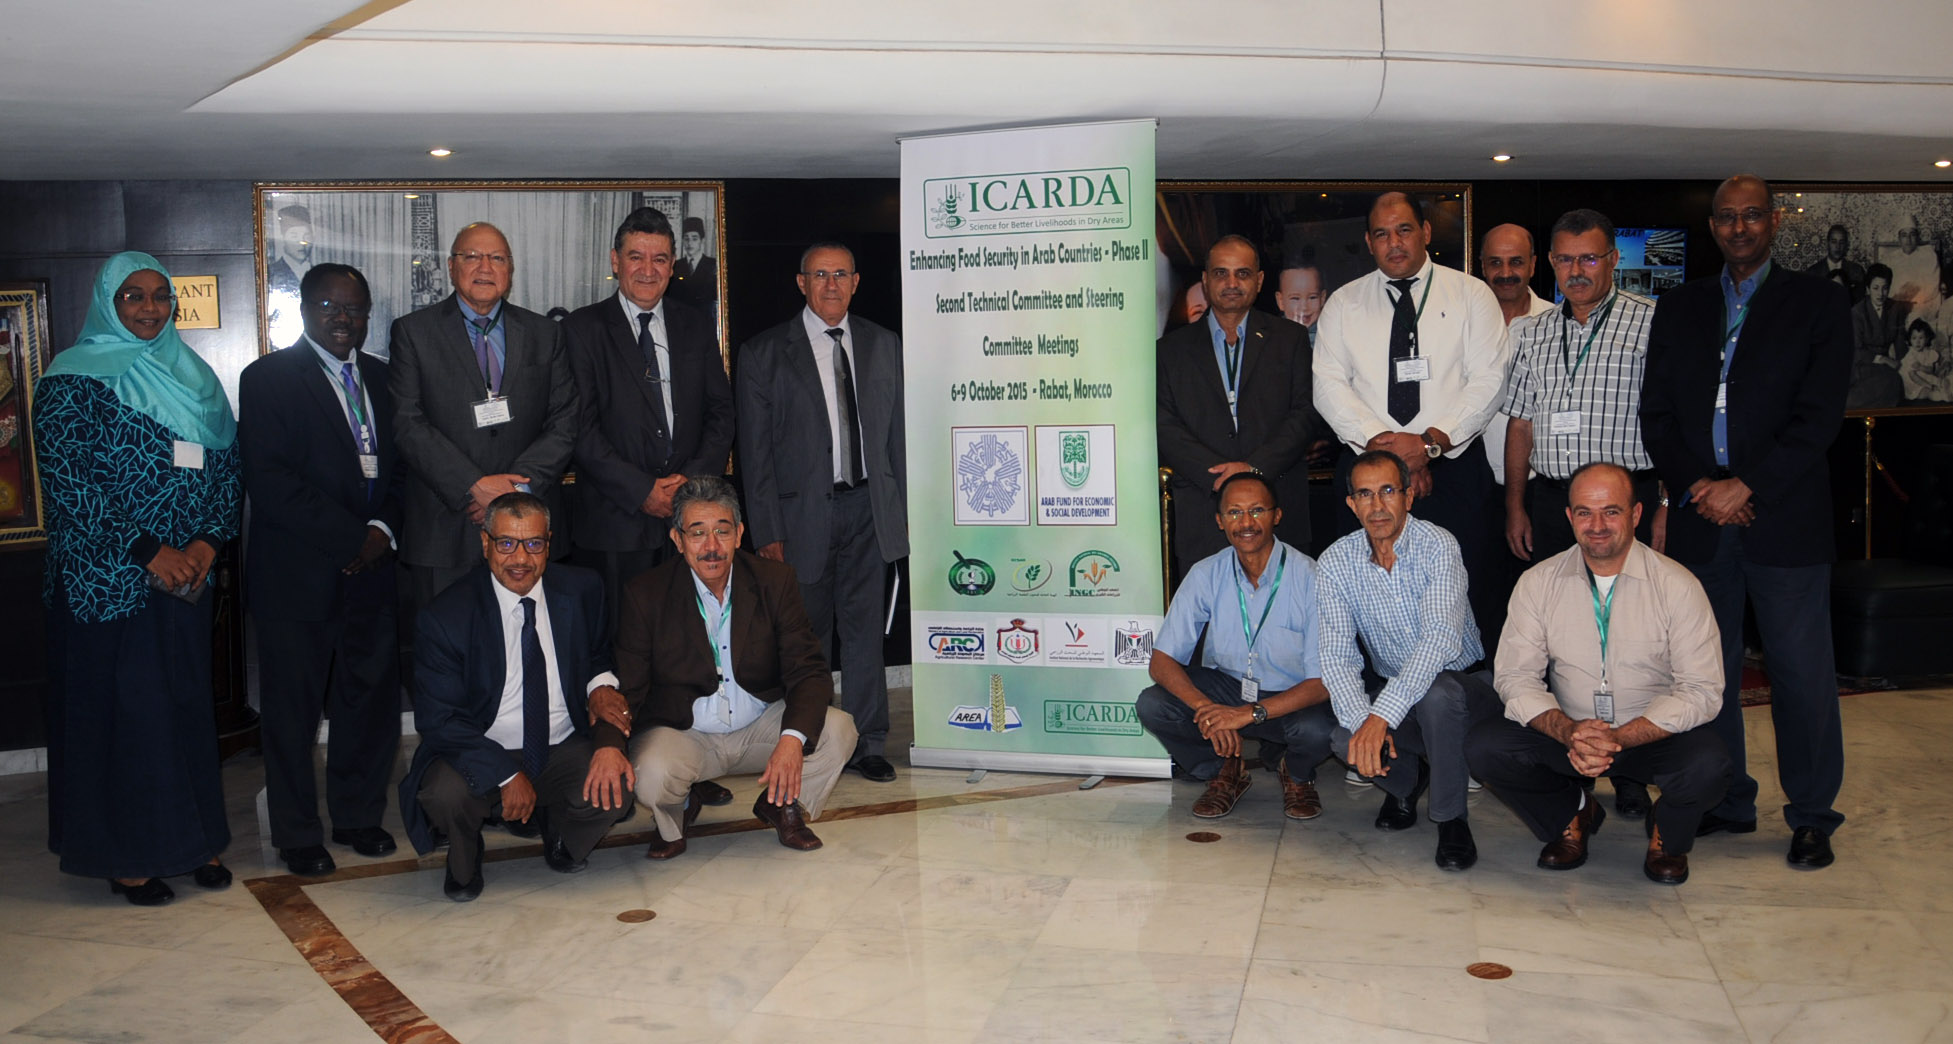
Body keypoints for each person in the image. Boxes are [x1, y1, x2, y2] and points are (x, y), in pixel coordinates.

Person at [1640, 174, 1852, 870]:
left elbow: (1817, 418)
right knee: (1711, 675)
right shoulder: (1679, 308)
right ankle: (1725, 798)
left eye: (1750, 217)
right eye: (1725, 219)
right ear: (1712, 228)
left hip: (1783, 520)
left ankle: (1811, 814)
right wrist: (1699, 485)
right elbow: (1658, 414)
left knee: (1798, 674)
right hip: (1703, 517)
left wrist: (1746, 485)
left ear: (1771, 224)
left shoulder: (1817, 303)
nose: (1737, 229)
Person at [35, 251, 241, 905]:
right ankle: (126, 857)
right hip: (105, 584)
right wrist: (150, 550)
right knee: (122, 719)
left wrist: (207, 542)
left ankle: (193, 840)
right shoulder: (69, 382)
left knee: (181, 712)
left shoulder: (195, 377)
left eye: (159, 296)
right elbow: (72, 484)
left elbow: (226, 470)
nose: (150, 308)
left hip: (185, 580)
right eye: (133, 297)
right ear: (107, 304)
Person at [1469, 463, 1730, 885]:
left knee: (1710, 765)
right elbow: (1515, 678)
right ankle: (1573, 812)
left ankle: (1669, 834)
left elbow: (1702, 690)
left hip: (1650, 733)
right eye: (1585, 513)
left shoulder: (1678, 586)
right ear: (1569, 517)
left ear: (1636, 515)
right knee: (1486, 746)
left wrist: (1621, 737)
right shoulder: (1538, 583)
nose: (1598, 525)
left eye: (1611, 511)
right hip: (1570, 732)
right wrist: (1568, 730)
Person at [238, 263, 403, 877]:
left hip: (373, 572)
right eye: (330, 306)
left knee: (369, 704)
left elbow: (402, 470)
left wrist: (381, 531)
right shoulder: (267, 380)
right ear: (305, 310)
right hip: (297, 577)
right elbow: (272, 481)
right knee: (292, 713)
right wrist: (350, 538)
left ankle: (359, 818)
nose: (343, 318)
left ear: (367, 314)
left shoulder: (385, 381)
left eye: (354, 308)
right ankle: (297, 833)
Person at [397, 492, 631, 901]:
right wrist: (505, 775)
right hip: (482, 746)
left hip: (559, 742)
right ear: (485, 543)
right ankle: (466, 857)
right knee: (443, 795)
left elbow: (597, 656)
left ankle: (561, 833)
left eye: (533, 543)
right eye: (506, 543)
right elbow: (439, 720)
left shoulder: (581, 589)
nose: (520, 558)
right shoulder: (446, 616)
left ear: (549, 543)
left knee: (617, 786)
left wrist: (600, 688)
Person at [613, 477, 858, 857]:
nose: (711, 547)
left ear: (739, 533)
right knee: (652, 774)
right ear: (677, 540)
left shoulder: (774, 581)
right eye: (697, 533)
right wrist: (608, 746)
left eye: (722, 531)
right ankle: (676, 812)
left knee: (839, 731)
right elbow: (629, 686)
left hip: (758, 724)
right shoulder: (646, 594)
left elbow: (808, 669)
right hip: (687, 732)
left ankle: (783, 804)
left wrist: (791, 740)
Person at [735, 242, 906, 782]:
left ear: (856, 282)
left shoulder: (885, 345)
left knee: (864, 634)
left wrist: (901, 517)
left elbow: (897, 439)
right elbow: (754, 452)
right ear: (800, 283)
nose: (830, 285)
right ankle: (804, 738)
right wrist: (765, 530)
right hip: (799, 518)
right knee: (805, 637)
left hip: (869, 510)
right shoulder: (764, 353)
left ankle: (868, 741)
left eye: (840, 275)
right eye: (819, 275)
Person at [1314, 192, 1510, 640]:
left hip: (1453, 470)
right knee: (1366, 588)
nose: (1394, 242)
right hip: (1366, 471)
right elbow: (1328, 386)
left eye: (1404, 230)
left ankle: (1459, 696)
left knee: (1464, 587)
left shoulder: (1471, 295)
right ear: (1368, 241)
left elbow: (1488, 381)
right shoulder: (1344, 304)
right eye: (1382, 234)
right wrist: (1393, 460)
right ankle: (1372, 692)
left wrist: (1428, 445)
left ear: (1425, 232)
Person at [1316, 450, 1495, 871]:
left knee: (1436, 694)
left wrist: (1381, 718)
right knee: (1344, 738)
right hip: (1399, 692)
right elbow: (1337, 656)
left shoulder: (1438, 546)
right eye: (1364, 494)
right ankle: (1408, 783)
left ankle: (1451, 819)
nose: (1377, 506)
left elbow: (1439, 642)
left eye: (1388, 491)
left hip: (1464, 687)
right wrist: (1365, 723)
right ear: (1351, 504)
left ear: (1409, 497)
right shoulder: (1335, 563)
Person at [388, 222, 578, 609]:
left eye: (496, 258)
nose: (484, 267)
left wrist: (511, 491)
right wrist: (473, 484)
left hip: (530, 526)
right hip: (446, 528)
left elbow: (564, 418)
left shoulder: (545, 333)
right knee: (448, 652)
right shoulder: (413, 332)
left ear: (510, 270)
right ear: (452, 266)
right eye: (472, 256)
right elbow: (407, 422)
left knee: (529, 649)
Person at [563, 206, 734, 628]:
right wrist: (643, 490)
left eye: (659, 259)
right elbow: (579, 428)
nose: (647, 269)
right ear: (615, 260)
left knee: (691, 640)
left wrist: (687, 488)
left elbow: (721, 412)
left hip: (690, 519)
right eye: (636, 256)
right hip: (615, 521)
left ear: (672, 266)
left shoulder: (694, 325)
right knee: (625, 647)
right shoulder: (582, 329)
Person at [1137, 472, 1337, 820]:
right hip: (1228, 689)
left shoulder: (1312, 577)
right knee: (1153, 703)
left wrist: (1246, 715)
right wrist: (1208, 710)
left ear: (1277, 515)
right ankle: (1223, 770)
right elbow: (1162, 661)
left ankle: (1297, 773)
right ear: (1219, 521)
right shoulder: (1206, 573)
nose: (1246, 523)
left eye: (1257, 510)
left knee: (1318, 729)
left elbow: (1323, 682)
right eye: (1234, 513)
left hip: (1291, 697)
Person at [1157, 235, 1314, 578]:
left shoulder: (1291, 340)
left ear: (1258, 281)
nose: (1231, 283)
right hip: (1203, 510)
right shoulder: (1169, 351)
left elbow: (1304, 415)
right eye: (1221, 273)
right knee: (1209, 622)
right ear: (1205, 280)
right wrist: (1216, 476)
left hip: (1278, 505)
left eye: (1242, 274)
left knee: (1285, 619)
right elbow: (1164, 424)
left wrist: (1253, 468)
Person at [1802, 224, 1866, 302]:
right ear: (1827, 243)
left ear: (1846, 245)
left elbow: (1860, 302)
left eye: (1841, 242)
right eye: (1834, 242)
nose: (1837, 247)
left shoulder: (1856, 271)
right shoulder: (1813, 272)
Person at [670, 215, 719, 314]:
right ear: (683, 240)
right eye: (686, 238)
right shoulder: (675, 266)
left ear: (702, 241)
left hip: (706, 318)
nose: (690, 243)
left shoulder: (713, 265)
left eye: (694, 238)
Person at [1898, 318, 1953, 403]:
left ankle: (1946, 390)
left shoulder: (1928, 352)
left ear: (1927, 339)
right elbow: (1913, 376)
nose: (1917, 342)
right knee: (1927, 392)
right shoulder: (1911, 355)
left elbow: (1931, 370)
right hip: (1913, 383)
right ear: (1910, 339)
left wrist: (1921, 367)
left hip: (1925, 376)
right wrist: (1929, 385)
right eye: (1914, 338)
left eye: (1921, 338)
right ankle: (1940, 396)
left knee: (1939, 381)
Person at [1273, 260, 1326, 345]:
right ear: (1281, 301)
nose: (1304, 307)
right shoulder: (1272, 338)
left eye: (1312, 297)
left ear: (1322, 298)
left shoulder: (1329, 336)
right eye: (1295, 298)